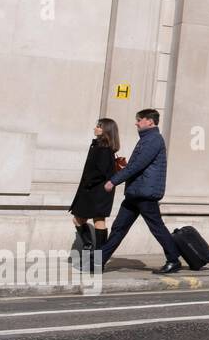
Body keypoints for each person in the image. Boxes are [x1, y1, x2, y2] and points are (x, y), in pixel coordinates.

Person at [99, 109, 183, 274]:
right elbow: (135, 166)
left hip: (145, 193)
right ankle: (99, 261)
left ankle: (173, 260)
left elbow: (137, 165)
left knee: (156, 227)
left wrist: (113, 181)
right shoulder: (146, 139)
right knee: (119, 227)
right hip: (135, 192)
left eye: (139, 120)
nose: (136, 123)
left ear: (150, 122)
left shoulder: (153, 140)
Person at [68, 118, 120, 271]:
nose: (95, 128)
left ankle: (94, 253)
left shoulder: (103, 149)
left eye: (99, 126)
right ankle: (97, 256)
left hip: (95, 192)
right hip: (95, 191)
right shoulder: (101, 146)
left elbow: (101, 172)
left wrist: (88, 183)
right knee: (94, 220)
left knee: (89, 220)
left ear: (106, 130)